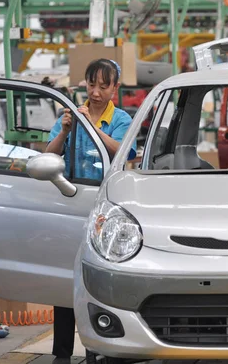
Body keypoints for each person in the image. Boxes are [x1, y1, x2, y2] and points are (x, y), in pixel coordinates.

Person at [46, 58, 136, 363]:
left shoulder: (122, 120)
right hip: (71, 202)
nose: (95, 92)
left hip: (105, 210)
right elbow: (48, 155)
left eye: (103, 86)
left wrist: (91, 127)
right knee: (66, 276)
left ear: (115, 88)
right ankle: (61, 352)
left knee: (95, 279)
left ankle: (97, 350)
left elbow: (125, 153)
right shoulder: (70, 116)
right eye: (91, 84)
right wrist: (65, 131)